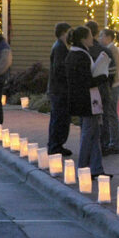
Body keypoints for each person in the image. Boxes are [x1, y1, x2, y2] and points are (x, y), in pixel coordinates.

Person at [64, 26, 108, 178]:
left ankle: (97, 168)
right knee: (88, 134)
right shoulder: (81, 56)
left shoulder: (74, 54)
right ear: (83, 39)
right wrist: (102, 76)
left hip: (82, 99)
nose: (92, 39)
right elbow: (86, 81)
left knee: (94, 134)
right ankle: (83, 168)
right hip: (86, 100)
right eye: (90, 36)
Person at [47, 22, 73, 156]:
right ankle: (55, 145)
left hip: (58, 89)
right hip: (60, 90)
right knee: (60, 118)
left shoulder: (60, 47)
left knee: (59, 118)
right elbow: (59, 69)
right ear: (64, 33)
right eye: (69, 31)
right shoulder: (60, 48)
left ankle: (56, 144)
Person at [98, 28, 119, 155]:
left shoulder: (111, 49)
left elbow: (115, 67)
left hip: (114, 85)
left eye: (101, 36)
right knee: (111, 113)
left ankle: (115, 142)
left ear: (108, 37)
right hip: (114, 84)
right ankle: (114, 141)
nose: (99, 38)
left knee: (112, 114)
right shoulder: (110, 48)